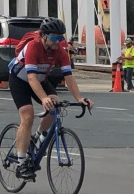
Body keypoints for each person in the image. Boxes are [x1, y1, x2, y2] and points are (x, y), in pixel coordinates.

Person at [9, 17, 93, 180]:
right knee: (28, 115)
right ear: (43, 36)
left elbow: (68, 77)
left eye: (61, 38)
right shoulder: (33, 46)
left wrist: (80, 98)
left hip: (40, 79)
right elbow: (31, 78)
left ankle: (38, 136)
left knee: (56, 104)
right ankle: (21, 164)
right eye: (54, 38)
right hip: (20, 79)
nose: (58, 42)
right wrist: (43, 98)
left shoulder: (60, 51)